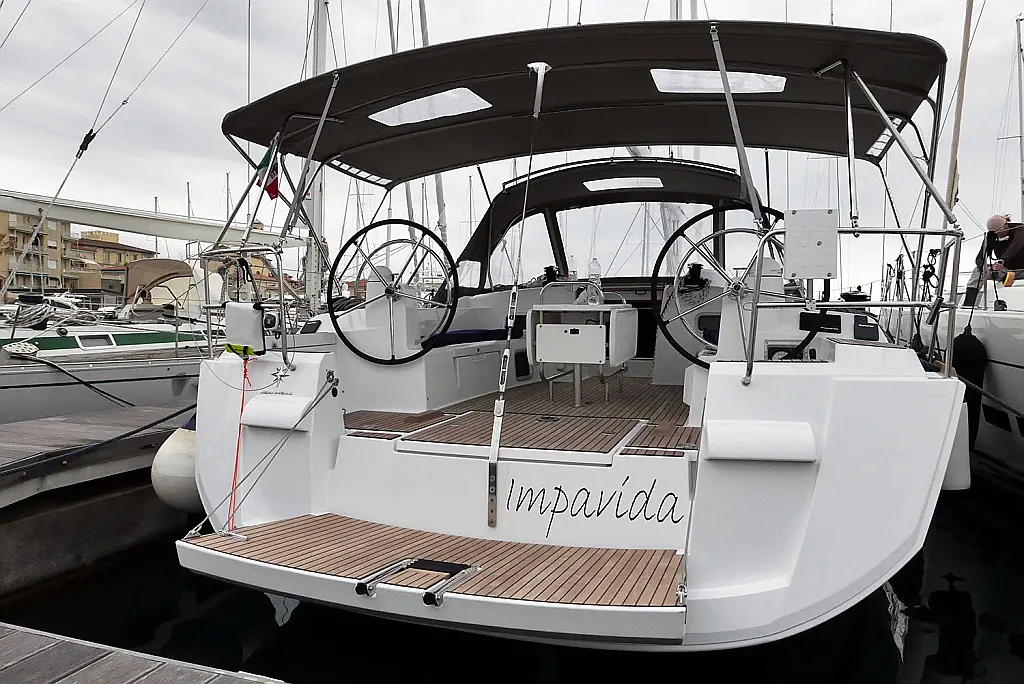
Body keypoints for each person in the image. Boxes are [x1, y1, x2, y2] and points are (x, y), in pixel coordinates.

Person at [962, 213, 1024, 307]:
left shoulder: (1020, 230)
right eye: (994, 232)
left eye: (998, 231)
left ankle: (1007, 279)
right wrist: (983, 267)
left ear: (1004, 226)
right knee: (977, 271)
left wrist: (1003, 259)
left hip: (1021, 269)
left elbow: (1017, 244)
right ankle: (968, 304)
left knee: (1006, 273)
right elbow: (980, 257)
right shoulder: (992, 235)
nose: (997, 234)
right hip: (1006, 269)